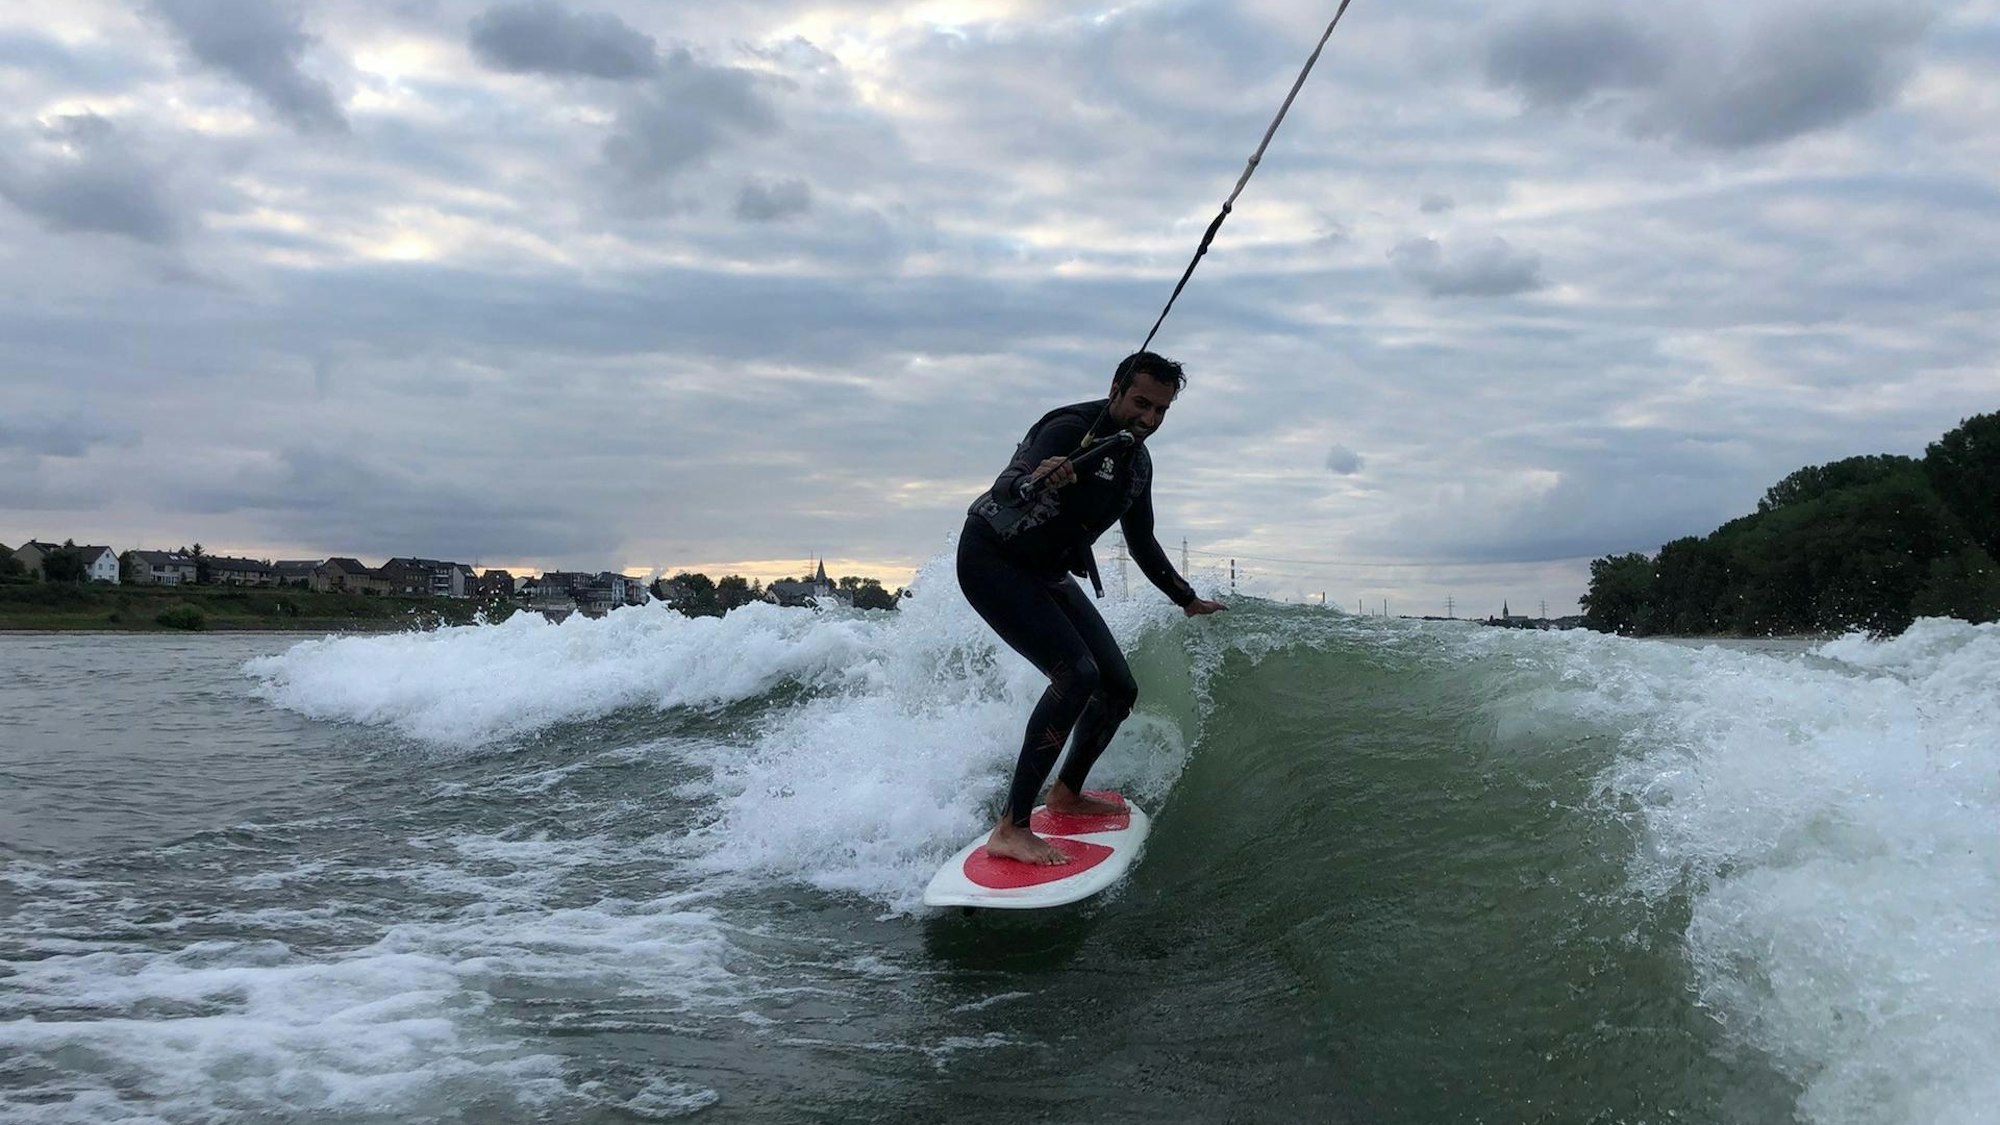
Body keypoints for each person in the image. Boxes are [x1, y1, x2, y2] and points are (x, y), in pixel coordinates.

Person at [958, 351, 1228, 865]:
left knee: (1118, 688)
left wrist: (1185, 598)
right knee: (1074, 675)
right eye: (1141, 403)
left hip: (1048, 572)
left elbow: (1142, 540)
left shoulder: (1136, 464)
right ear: (1116, 390)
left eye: (1162, 411)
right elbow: (1007, 483)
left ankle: (1065, 794)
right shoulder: (1068, 429)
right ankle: (1011, 827)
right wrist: (1034, 479)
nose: (1149, 420)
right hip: (993, 559)